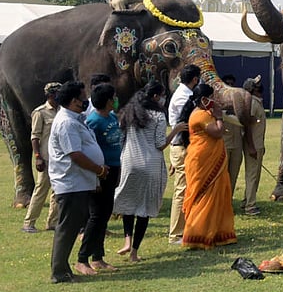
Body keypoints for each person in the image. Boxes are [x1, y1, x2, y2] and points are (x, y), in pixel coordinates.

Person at [113, 82, 186, 262]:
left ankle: (127, 239)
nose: (163, 99)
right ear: (155, 97)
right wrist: (175, 130)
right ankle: (134, 253)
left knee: (128, 203)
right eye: (162, 95)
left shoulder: (128, 113)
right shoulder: (158, 116)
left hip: (129, 162)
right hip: (150, 165)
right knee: (144, 209)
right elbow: (160, 144)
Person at [47, 81, 107, 284]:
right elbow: (75, 154)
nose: (86, 101)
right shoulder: (66, 123)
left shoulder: (76, 119)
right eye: (83, 98)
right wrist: (98, 170)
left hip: (80, 182)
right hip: (70, 183)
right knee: (67, 228)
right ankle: (60, 272)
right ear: (74, 101)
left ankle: (62, 269)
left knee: (71, 228)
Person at [179, 84, 237, 249]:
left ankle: (218, 232)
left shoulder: (205, 113)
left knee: (217, 195)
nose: (215, 101)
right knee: (204, 197)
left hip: (212, 161)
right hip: (202, 162)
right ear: (204, 100)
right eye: (212, 97)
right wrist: (219, 117)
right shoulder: (200, 116)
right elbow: (218, 132)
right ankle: (198, 235)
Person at [76, 84, 122, 274]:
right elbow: (88, 149)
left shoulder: (111, 117)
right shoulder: (93, 122)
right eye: (114, 97)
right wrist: (95, 176)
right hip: (99, 173)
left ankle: (98, 258)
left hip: (113, 169)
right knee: (95, 216)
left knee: (104, 215)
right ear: (108, 100)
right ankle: (82, 259)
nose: (116, 99)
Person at [167, 65, 200, 244]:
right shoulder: (184, 96)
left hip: (184, 145)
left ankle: (185, 228)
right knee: (181, 190)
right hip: (181, 145)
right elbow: (189, 121)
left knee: (187, 188)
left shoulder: (185, 93)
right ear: (195, 79)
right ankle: (176, 233)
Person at [22, 82, 61, 233]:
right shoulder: (40, 112)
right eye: (57, 93)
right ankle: (29, 222)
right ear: (50, 95)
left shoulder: (61, 111)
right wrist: (38, 157)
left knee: (57, 191)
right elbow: (35, 137)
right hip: (45, 158)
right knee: (41, 191)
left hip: (59, 159)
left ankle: (52, 222)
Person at [239, 76, 267, 216]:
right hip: (253, 145)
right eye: (257, 85)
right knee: (252, 175)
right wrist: (251, 146)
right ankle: (250, 205)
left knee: (254, 174)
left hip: (257, 143)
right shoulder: (252, 103)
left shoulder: (256, 102)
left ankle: (246, 201)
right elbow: (248, 125)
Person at [220, 74, 245, 208]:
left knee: (233, 175)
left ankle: (228, 203)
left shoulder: (238, 101)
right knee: (222, 176)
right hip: (224, 144)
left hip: (237, 144)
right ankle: (220, 204)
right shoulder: (217, 103)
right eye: (227, 83)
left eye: (232, 83)